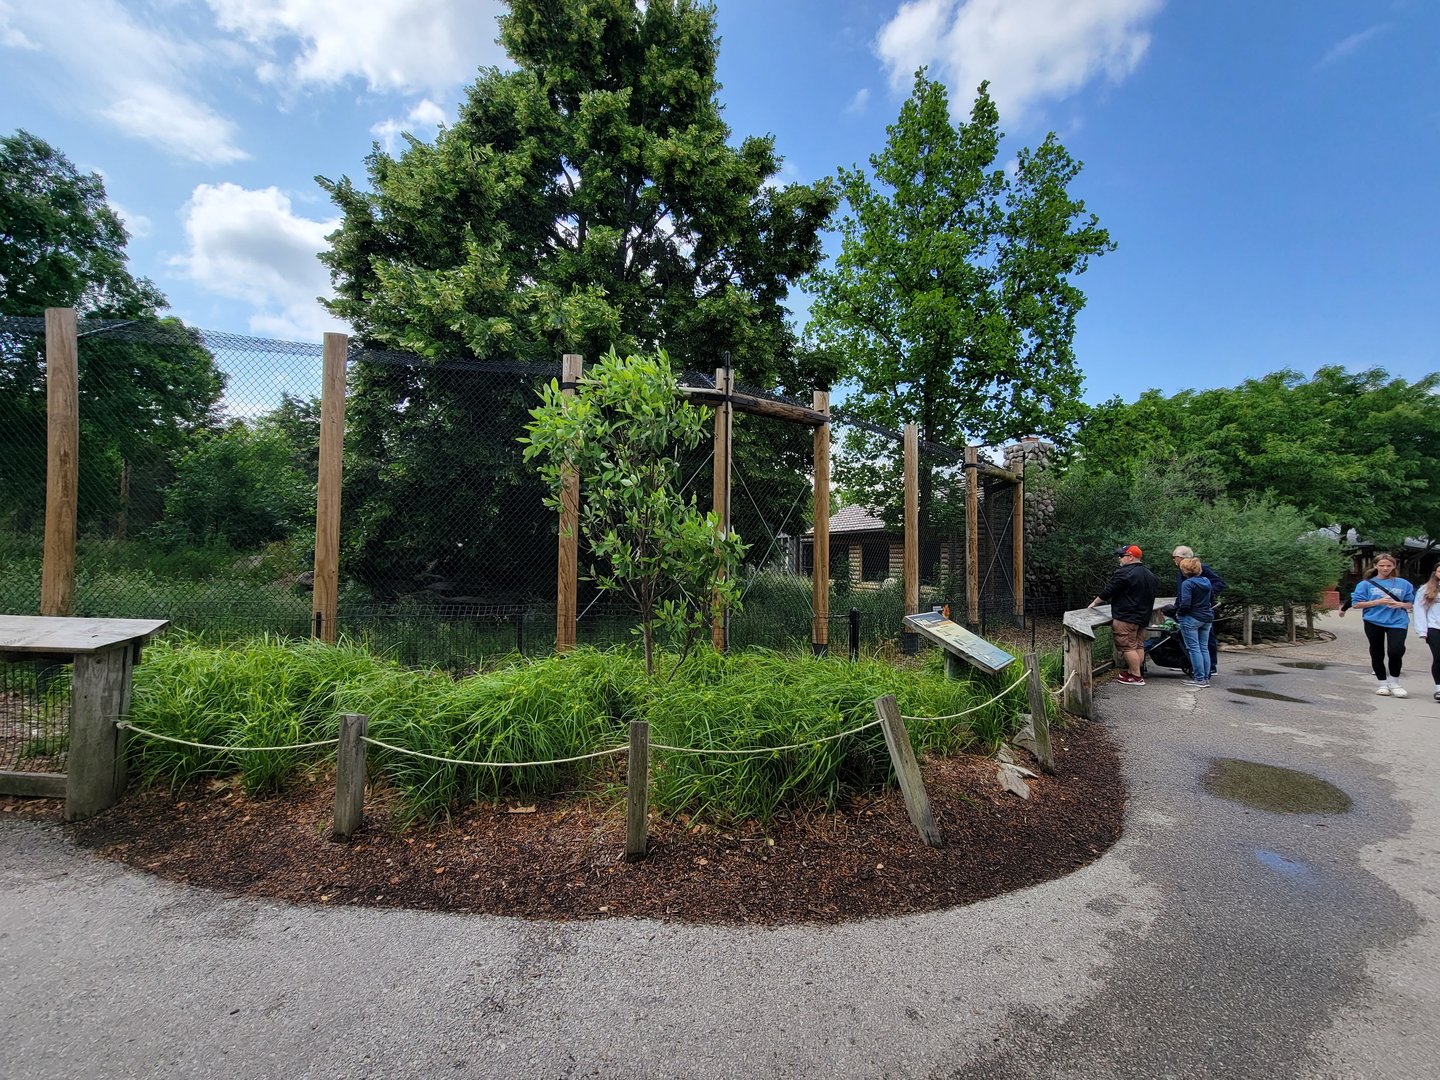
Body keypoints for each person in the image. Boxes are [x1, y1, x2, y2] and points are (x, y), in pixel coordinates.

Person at [1090, 544, 1159, 686]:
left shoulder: (1124, 573)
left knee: (1127, 646)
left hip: (1126, 616)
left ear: (1130, 557)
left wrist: (1093, 604)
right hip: (1143, 617)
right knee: (1138, 645)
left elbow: (1108, 591)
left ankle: (1136, 676)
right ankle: (1134, 671)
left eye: (1122, 556)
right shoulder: (1149, 574)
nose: (1119, 559)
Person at [1351, 553, 1415, 697]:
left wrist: (1401, 604)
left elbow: (1410, 603)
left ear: (1394, 566)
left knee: (1396, 651)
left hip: (1397, 621)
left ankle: (1395, 682)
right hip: (1373, 621)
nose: (1385, 568)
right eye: (1381, 565)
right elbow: (1356, 604)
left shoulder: (1404, 584)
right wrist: (1378, 602)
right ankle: (1383, 683)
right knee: (1377, 652)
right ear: (1375, 566)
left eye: (1388, 565)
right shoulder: (1365, 584)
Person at [1171, 545, 1226, 675]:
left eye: (1175, 557)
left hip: (1198, 611)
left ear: (1184, 558)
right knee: (1192, 642)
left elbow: (1220, 583)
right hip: (1190, 610)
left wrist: (1203, 596)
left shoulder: (1201, 569)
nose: (1173, 560)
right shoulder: (1181, 571)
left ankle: (1210, 668)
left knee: (1203, 642)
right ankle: (1191, 664)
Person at [1174, 557, 1215, 688]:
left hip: (1191, 618)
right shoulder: (1206, 581)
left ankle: (1199, 678)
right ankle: (1206, 677)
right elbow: (1211, 599)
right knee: (1204, 647)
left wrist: (1179, 613)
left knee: (1193, 648)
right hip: (1206, 617)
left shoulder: (1187, 583)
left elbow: (1185, 603)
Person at [1412, 563, 1440, 702]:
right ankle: (1439, 688)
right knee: (1439, 657)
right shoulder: (1426, 589)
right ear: (1435, 573)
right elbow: (1419, 610)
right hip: (1434, 628)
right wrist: (1422, 630)